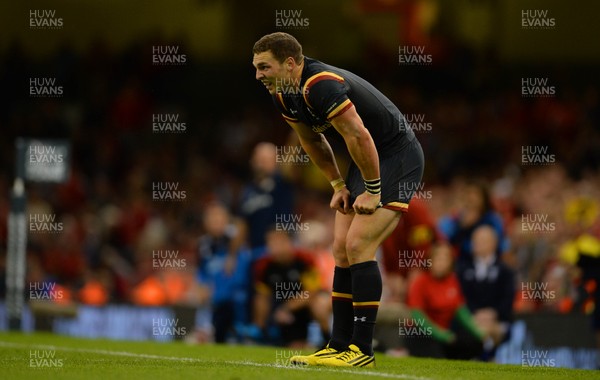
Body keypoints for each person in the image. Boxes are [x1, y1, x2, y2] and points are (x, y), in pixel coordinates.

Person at [252, 32, 424, 367]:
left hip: (396, 155)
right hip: (366, 160)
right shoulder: (284, 95)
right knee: (341, 249)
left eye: (263, 67)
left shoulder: (320, 85)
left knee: (359, 244)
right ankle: (338, 343)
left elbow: (358, 134)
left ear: (290, 64)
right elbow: (312, 143)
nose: (257, 75)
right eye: (256, 68)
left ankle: (362, 350)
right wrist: (337, 185)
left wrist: (373, 190)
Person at [406, 243, 484, 359]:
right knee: (437, 355)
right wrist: (441, 335)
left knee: (473, 342)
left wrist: (479, 333)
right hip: (422, 334)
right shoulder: (420, 282)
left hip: (447, 332)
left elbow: (460, 311)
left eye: (445, 259)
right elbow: (418, 317)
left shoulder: (452, 280)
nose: (441, 264)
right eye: (438, 259)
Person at [251, 228, 324, 347]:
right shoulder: (263, 265)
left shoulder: (305, 259)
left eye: (279, 242)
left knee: (319, 304)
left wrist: (286, 308)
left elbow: (312, 292)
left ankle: (327, 339)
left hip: (303, 307)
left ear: (289, 242)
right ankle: (258, 334)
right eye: (271, 243)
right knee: (260, 300)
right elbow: (262, 296)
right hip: (278, 308)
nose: (275, 247)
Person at [456, 225, 515, 359]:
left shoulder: (505, 271)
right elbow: (460, 297)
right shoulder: (462, 269)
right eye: (474, 241)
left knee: (490, 330)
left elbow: (508, 298)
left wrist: (494, 313)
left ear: (493, 244)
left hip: (498, 321)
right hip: (470, 318)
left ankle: (486, 357)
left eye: (481, 241)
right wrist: (474, 314)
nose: (476, 244)